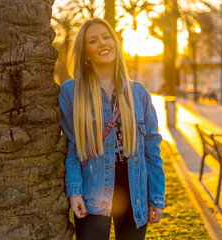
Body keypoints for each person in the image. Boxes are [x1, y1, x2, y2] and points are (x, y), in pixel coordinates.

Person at [58, 18, 165, 240]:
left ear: (116, 43)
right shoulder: (71, 92)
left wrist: (156, 196)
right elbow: (72, 148)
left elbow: (152, 148)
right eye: (93, 41)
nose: (102, 44)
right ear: (85, 52)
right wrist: (75, 191)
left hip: (134, 190)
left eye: (107, 37)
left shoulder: (138, 93)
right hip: (93, 190)